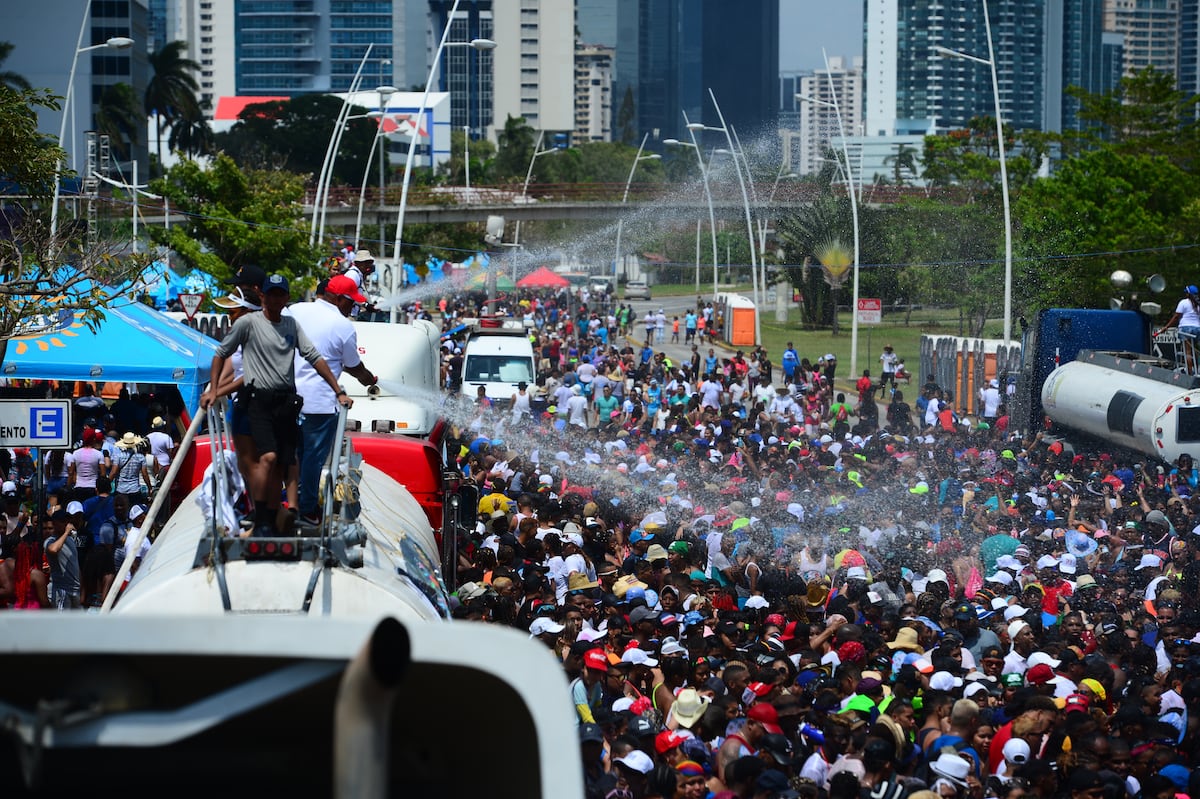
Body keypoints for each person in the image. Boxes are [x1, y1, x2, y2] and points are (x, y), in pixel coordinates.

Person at [201, 274, 353, 537]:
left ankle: (291, 512)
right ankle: (262, 518)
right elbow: (220, 354)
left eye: (280, 294)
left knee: (288, 459)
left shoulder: (291, 326)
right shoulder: (248, 323)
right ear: (263, 297)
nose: (275, 299)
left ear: (285, 298)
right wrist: (214, 391)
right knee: (266, 459)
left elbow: (314, 357)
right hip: (258, 401)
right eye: (270, 294)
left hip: (285, 402)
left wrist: (338, 390)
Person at [286, 275, 377, 527]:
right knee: (312, 457)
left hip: (286, 398)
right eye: (351, 302)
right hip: (320, 402)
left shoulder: (295, 310)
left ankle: (288, 502)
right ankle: (306, 510)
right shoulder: (343, 326)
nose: (353, 308)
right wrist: (368, 379)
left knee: (291, 453)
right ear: (338, 298)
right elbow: (353, 366)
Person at [1157, 284, 1200, 372]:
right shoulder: (1198, 304)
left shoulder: (1183, 302)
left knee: (1187, 352)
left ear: (1188, 294)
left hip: (1185, 329)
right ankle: (1197, 370)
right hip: (1197, 328)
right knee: (1196, 351)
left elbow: (1176, 317)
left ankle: (1190, 373)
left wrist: (1166, 327)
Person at [44, 509, 81, 609]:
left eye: (67, 521)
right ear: (55, 523)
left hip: (75, 589)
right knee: (62, 622)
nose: (67, 524)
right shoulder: (50, 541)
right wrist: (66, 533)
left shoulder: (70, 540)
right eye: (63, 521)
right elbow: (53, 549)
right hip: (61, 589)